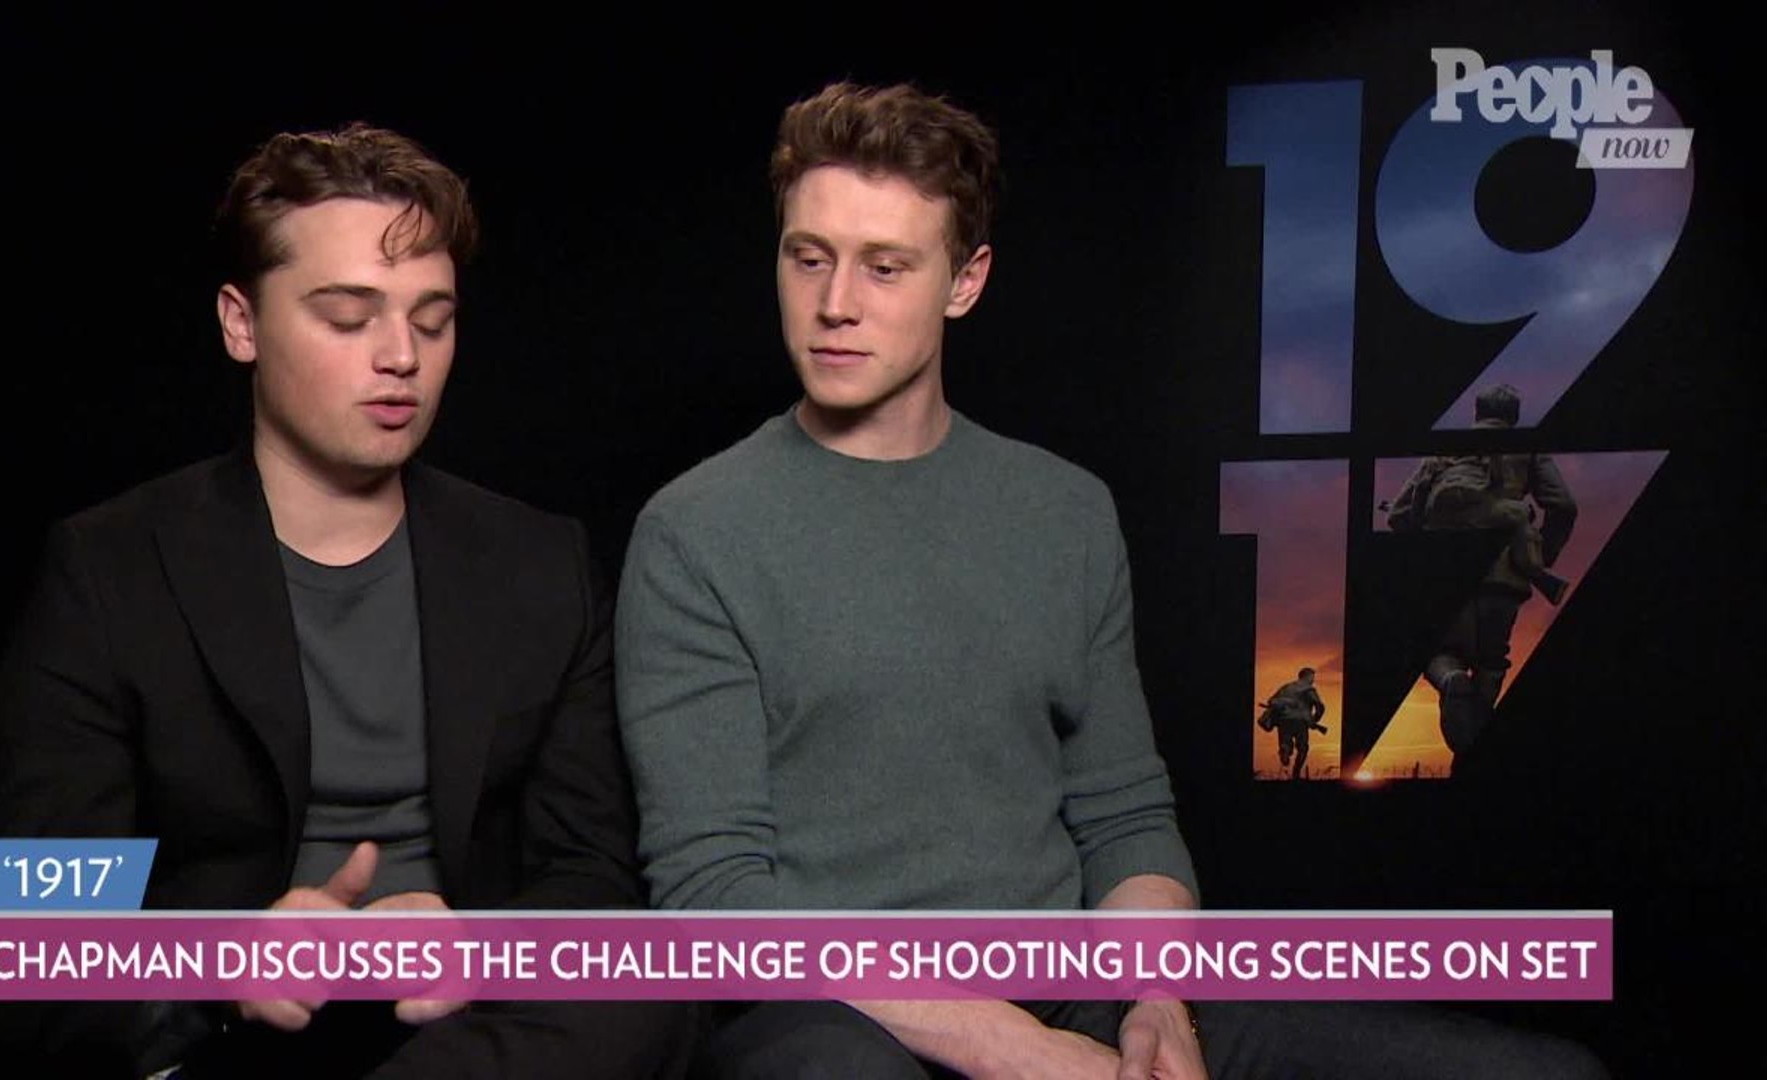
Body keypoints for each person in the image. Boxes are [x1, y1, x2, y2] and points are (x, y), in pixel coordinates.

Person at [615, 82, 1605, 1080]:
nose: (835, 303)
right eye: (808, 258)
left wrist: (1157, 1003)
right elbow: (715, 896)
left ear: (965, 281)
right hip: (835, 1014)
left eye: (885, 266)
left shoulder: (1064, 511)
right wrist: (1009, 1046)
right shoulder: (695, 532)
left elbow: (1122, 815)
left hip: (1069, 988)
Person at [0, 123, 689, 1079]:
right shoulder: (110, 570)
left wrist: (479, 941)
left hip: (475, 1035)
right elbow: (35, 940)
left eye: (431, 321)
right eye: (349, 318)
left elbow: (593, 882)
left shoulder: (537, 564)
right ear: (241, 323)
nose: (400, 356)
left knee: (653, 996)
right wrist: (223, 966)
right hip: (233, 1039)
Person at [1386, 385, 1577, 759]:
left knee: (1439, 653)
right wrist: (1541, 556)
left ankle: (1451, 681)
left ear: (1476, 412)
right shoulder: (1526, 447)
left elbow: (1399, 516)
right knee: (1491, 662)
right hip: (1504, 578)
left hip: (1444, 575)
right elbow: (1565, 506)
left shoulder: (1445, 450)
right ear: (1514, 417)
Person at [1258, 667, 1327, 780]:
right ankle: (1296, 772)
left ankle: (1285, 750)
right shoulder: (1309, 689)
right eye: (1312, 677)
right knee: (1303, 748)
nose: (1313, 680)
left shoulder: (1286, 687)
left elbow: (1271, 700)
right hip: (1300, 722)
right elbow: (1320, 706)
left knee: (1285, 742)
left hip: (1283, 721)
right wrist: (1314, 720)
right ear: (1306, 676)